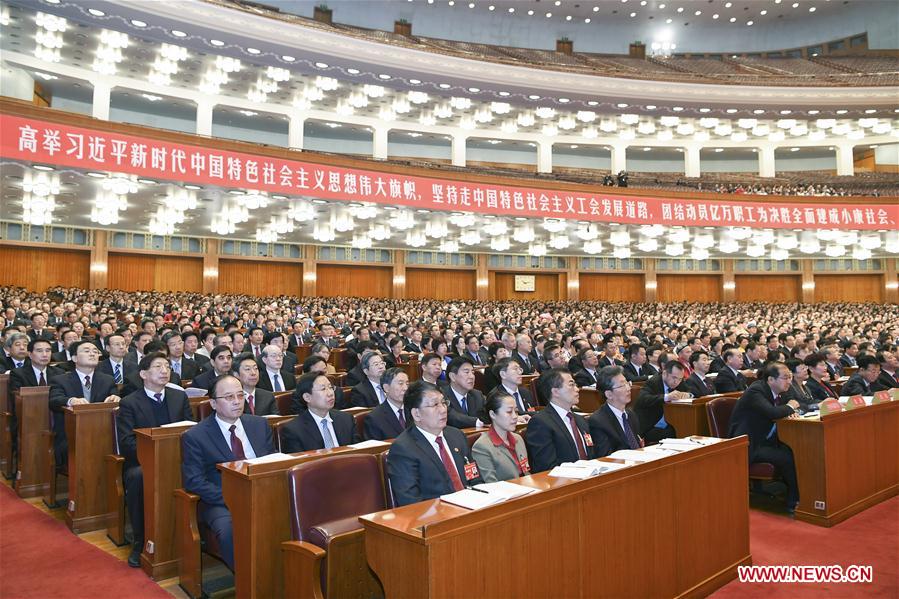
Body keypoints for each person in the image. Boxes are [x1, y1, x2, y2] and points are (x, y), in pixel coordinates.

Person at [181, 374, 273, 570]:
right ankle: (247, 581)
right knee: (230, 530)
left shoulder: (259, 425)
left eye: (240, 395)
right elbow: (194, 481)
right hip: (221, 502)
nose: (237, 402)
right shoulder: (195, 436)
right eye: (229, 397)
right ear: (213, 403)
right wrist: (234, 497)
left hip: (264, 493)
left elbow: (271, 462)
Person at [117, 353, 193, 567]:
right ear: (143, 374)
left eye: (167, 366)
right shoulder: (129, 403)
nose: (164, 370)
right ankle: (141, 540)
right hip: (143, 462)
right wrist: (157, 457)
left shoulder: (179, 397)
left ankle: (190, 535)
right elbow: (127, 443)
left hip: (179, 458)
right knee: (139, 477)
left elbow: (191, 431)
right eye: (158, 366)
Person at [387, 381, 481, 506]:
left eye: (443, 403)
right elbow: (410, 501)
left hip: (472, 508)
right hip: (438, 517)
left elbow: (474, 478)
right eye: (434, 405)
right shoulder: (403, 448)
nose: (443, 410)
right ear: (416, 414)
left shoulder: (456, 436)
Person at [728, 363, 801, 513]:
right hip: (749, 443)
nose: (789, 381)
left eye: (790, 377)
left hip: (768, 440)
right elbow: (772, 413)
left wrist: (792, 410)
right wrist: (790, 407)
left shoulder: (782, 390)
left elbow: (798, 403)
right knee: (787, 456)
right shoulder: (756, 390)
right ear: (771, 380)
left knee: (799, 449)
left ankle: (800, 494)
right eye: (785, 378)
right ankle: (794, 501)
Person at [48, 340, 120, 466]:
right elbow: (54, 401)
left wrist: (116, 398)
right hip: (72, 435)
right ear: (74, 358)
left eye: (95, 351)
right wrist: (71, 401)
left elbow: (116, 396)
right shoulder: (60, 380)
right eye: (87, 351)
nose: (92, 354)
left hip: (103, 433)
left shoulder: (107, 380)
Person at [525, 369, 593, 473]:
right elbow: (546, 467)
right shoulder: (540, 423)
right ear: (555, 391)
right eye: (571, 385)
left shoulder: (580, 420)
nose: (577, 389)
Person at [280, 372, 359, 453]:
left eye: (330, 387)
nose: (330, 393)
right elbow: (298, 463)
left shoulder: (347, 419)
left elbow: (358, 453)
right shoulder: (293, 430)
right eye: (323, 389)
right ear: (307, 397)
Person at [471, 389, 530, 482]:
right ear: (493, 414)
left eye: (516, 411)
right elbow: (491, 485)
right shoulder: (482, 447)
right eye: (509, 412)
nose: (515, 416)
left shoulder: (518, 439)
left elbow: (527, 473)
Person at [588, 366, 643, 457]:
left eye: (627, 383)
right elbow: (605, 456)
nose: (628, 388)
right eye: (622, 385)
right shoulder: (598, 421)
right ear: (609, 394)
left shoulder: (631, 415)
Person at [632, 360, 690, 444]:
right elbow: (643, 399)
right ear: (665, 373)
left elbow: (690, 391)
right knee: (677, 434)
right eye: (674, 378)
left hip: (670, 423)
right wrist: (666, 397)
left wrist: (688, 395)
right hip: (650, 426)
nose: (676, 382)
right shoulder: (653, 382)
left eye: (680, 379)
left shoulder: (678, 381)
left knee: (686, 430)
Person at [363, 368, 409, 440]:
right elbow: (377, 449)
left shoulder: (415, 410)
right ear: (386, 388)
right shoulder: (374, 418)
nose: (405, 388)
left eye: (407, 383)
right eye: (401, 384)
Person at [442, 357, 485, 428]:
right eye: (466, 372)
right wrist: (477, 422)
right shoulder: (441, 395)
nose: (472, 376)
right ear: (453, 376)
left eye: (473, 372)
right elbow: (449, 415)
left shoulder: (477, 395)